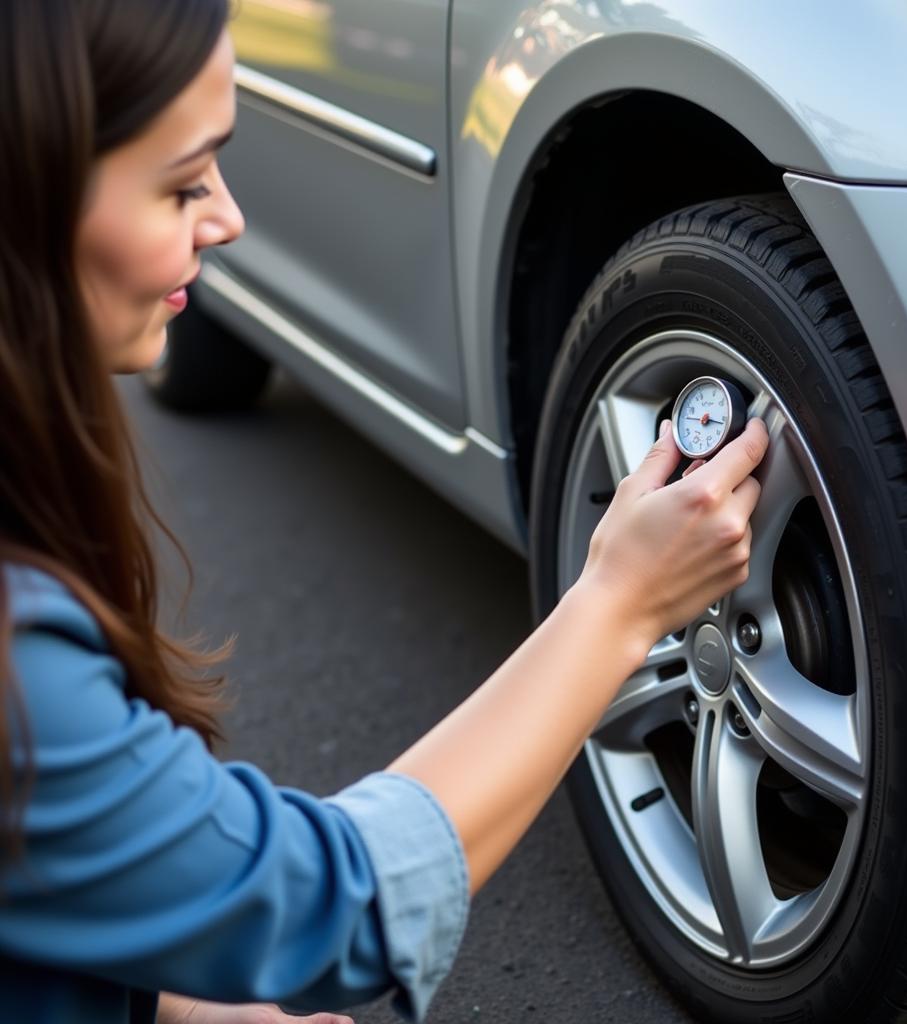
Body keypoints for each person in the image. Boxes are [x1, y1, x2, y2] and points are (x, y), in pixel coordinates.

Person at [0, 2, 768, 1022]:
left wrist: (192, 1002)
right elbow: (330, 909)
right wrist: (617, 605)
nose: (227, 217)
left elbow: (64, 882)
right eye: (183, 181)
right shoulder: (20, 668)